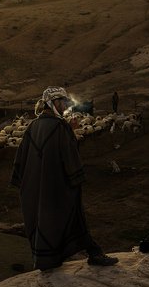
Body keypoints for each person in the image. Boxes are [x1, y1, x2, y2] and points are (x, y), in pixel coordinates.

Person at [11, 86, 118, 270]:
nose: (65, 105)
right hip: (57, 185)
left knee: (43, 221)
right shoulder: (60, 127)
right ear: (53, 103)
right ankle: (94, 253)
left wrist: (27, 185)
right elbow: (69, 155)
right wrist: (76, 179)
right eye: (61, 102)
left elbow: (21, 159)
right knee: (74, 216)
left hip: (36, 187)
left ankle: (47, 260)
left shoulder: (32, 127)